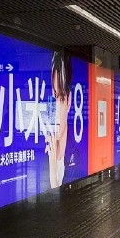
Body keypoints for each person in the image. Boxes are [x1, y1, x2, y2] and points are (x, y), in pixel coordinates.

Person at [46, 51, 72, 189]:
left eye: (61, 98)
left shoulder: (75, 156)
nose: (55, 107)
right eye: (54, 96)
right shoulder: (45, 150)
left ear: (69, 101)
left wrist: (53, 174)